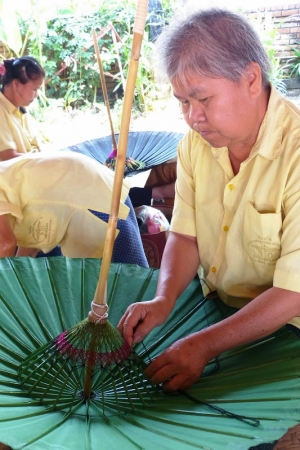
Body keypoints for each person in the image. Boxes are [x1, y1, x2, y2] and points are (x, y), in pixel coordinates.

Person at [118, 7, 300, 392]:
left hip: (288, 327)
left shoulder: (296, 152)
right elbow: (185, 236)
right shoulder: (195, 147)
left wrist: (203, 344)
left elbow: (293, 292)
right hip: (215, 305)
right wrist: (164, 299)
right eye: (183, 102)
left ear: (251, 79)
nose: (192, 117)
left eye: (202, 99)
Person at [0, 151, 148, 267]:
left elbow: (5, 244)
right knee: (122, 288)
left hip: (93, 203)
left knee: (128, 286)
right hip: (96, 189)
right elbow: (29, 241)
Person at [0, 56, 45, 161]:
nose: (36, 95)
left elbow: (36, 148)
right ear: (16, 84)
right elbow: (8, 157)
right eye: (34, 89)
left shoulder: (20, 108)